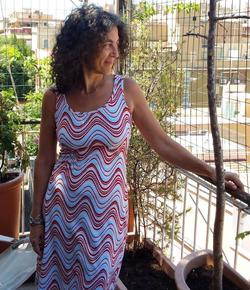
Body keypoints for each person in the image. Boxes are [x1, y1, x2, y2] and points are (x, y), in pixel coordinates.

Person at [30, 4, 244, 290]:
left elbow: (162, 143)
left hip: (105, 215)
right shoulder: (55, 98)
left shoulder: (126, 90)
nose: (115, 53)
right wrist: (36, 220)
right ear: (82, 45)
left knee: (98, 281)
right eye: (107, 44)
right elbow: (44, 160)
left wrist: (212, 172)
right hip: (61, 213)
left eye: (118, 44)